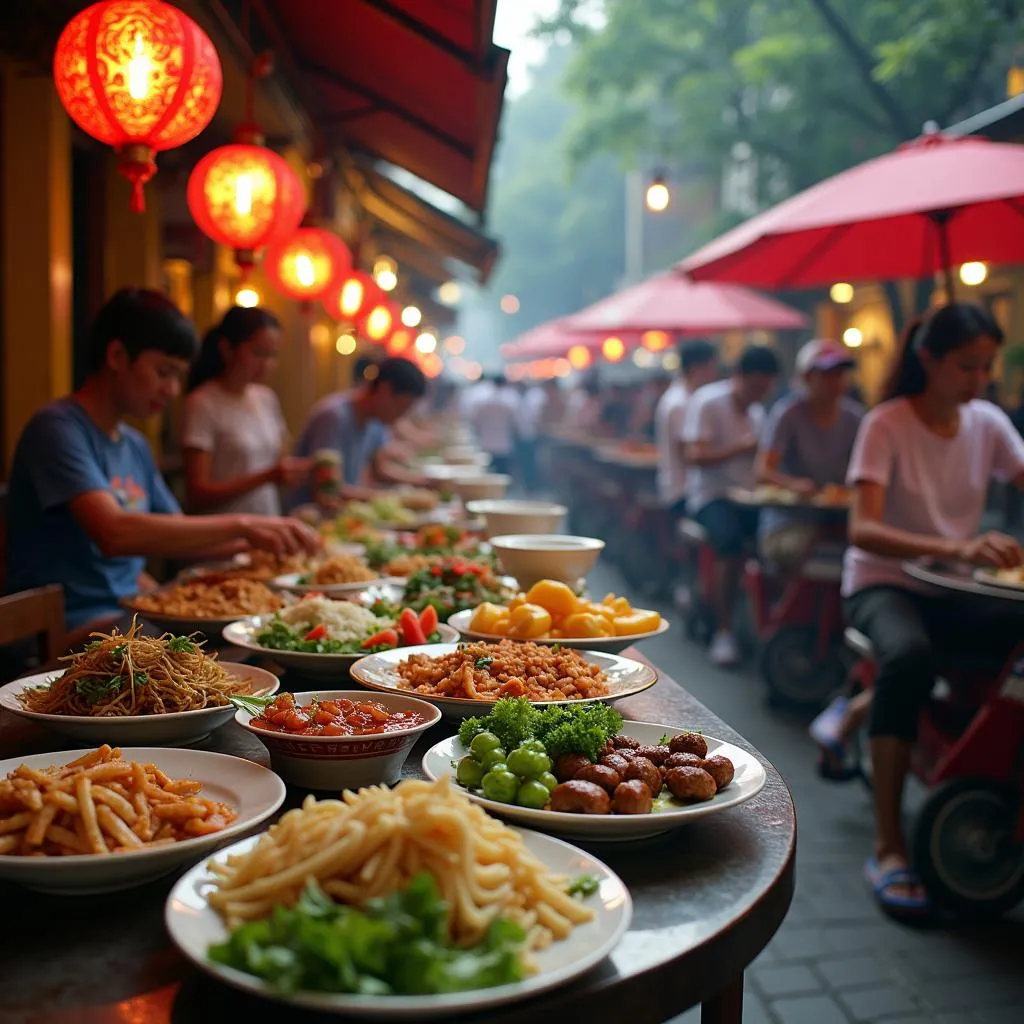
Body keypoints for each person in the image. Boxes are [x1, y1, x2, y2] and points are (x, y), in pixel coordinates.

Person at [810, 303, 1024, 920]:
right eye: (966, 365)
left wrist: (961, 557)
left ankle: (864, 716)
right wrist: (957, 545)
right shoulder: (887, 423)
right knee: (907, 658)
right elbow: (864, 530)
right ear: (928, 359)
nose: (979, 380)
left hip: (958, 588)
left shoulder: (988, 422)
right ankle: (889, 843)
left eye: (987, 367)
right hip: (884, 582)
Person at [5, 288, 319, 634]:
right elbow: (114, 532)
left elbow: (180, 536)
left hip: (128, 610)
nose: (172, 390)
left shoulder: (135, 445)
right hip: (71, 623)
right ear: (117, 355)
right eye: (163, 372)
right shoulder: (58, 428)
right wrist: (245, 525)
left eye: (178, 376)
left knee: (270, 624)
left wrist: (273, 538)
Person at [683, 345, 781, 666]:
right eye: (754, 386)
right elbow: (695, 455)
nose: (759, 393)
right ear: (737, 376)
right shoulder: (709, 401)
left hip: (749, 498)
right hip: (710, 497)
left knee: (778, 540)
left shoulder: (757, 412)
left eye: (764, 388)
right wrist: (740, 448)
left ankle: (770, 624)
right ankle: (724, 630)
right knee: (729, 544)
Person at [182, 306, 311, 516]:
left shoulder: (266, 398)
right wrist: (267, 477)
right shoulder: (203, 403)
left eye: (273, 355)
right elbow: (197, 494)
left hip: (267, 526)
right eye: (259, 353)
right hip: (223, 534)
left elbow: (280, 461)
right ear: (227, 348)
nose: (266, 364)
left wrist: (304, 470)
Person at [756, 339, 862, 570]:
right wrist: (794, 484)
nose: (835, 381)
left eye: (840, 374)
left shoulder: (854, 417)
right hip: (792, 516)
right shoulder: (787, 414)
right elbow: (763, 472)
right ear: (806, 377)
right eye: (827, 374)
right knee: (790, 553)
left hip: (838, 516)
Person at [294, 355, 429, 503]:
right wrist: (397, 498)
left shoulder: (376, 422)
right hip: (308, 516)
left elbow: (380, 470)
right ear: (385, 390)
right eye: (402, 408)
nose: (401, 416)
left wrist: (426, 483)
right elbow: (329, 489)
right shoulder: (334, 417)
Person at [654, 339, 718, 517]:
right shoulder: (680, 403)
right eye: (712, 367)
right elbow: (690, 454)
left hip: (679, 488)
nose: (714, 374)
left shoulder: (683, 397)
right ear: (697, 368)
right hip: (682, 492)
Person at [466, 375, 520, 475]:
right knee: (502, 476)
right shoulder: (509, 404)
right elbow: (515, 425)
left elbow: (474, 422)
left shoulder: (483, 404)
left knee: (487, 476)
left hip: (485, 444)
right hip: (504, 445)